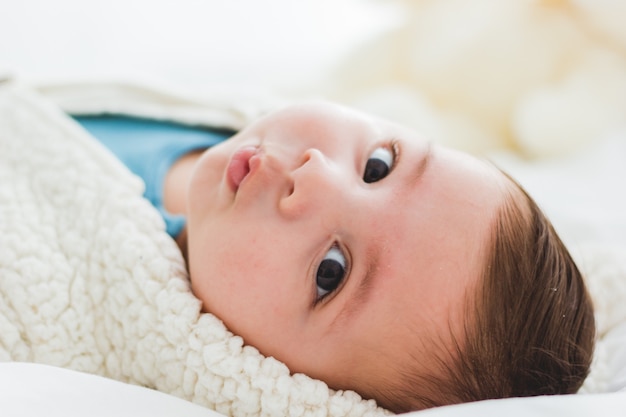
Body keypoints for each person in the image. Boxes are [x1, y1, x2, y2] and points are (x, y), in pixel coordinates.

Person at [77, 101, 595, 413]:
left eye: (332, 272)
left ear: (276, 385)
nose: (315, 174)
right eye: (377, 166)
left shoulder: (73, 298)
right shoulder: (236, 122)